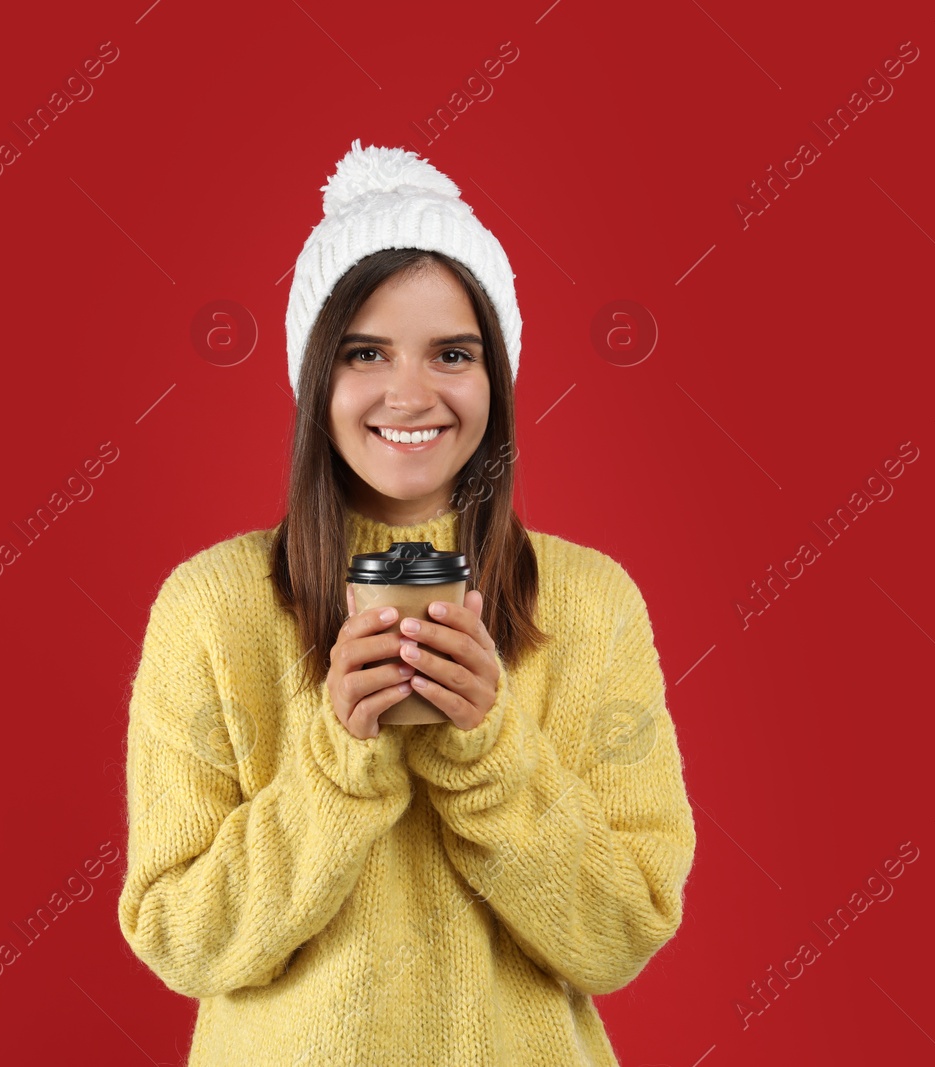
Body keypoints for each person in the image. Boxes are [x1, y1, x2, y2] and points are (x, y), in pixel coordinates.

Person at [117, 138, 697, 1066]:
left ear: (495, 378)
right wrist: (336, 763)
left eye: (453, 353)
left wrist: (493, 754)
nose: (410, 391)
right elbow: (181, 937)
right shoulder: (212, 608)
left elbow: (626, 927)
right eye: (366, 352)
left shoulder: (592, 604)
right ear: (316, 378)